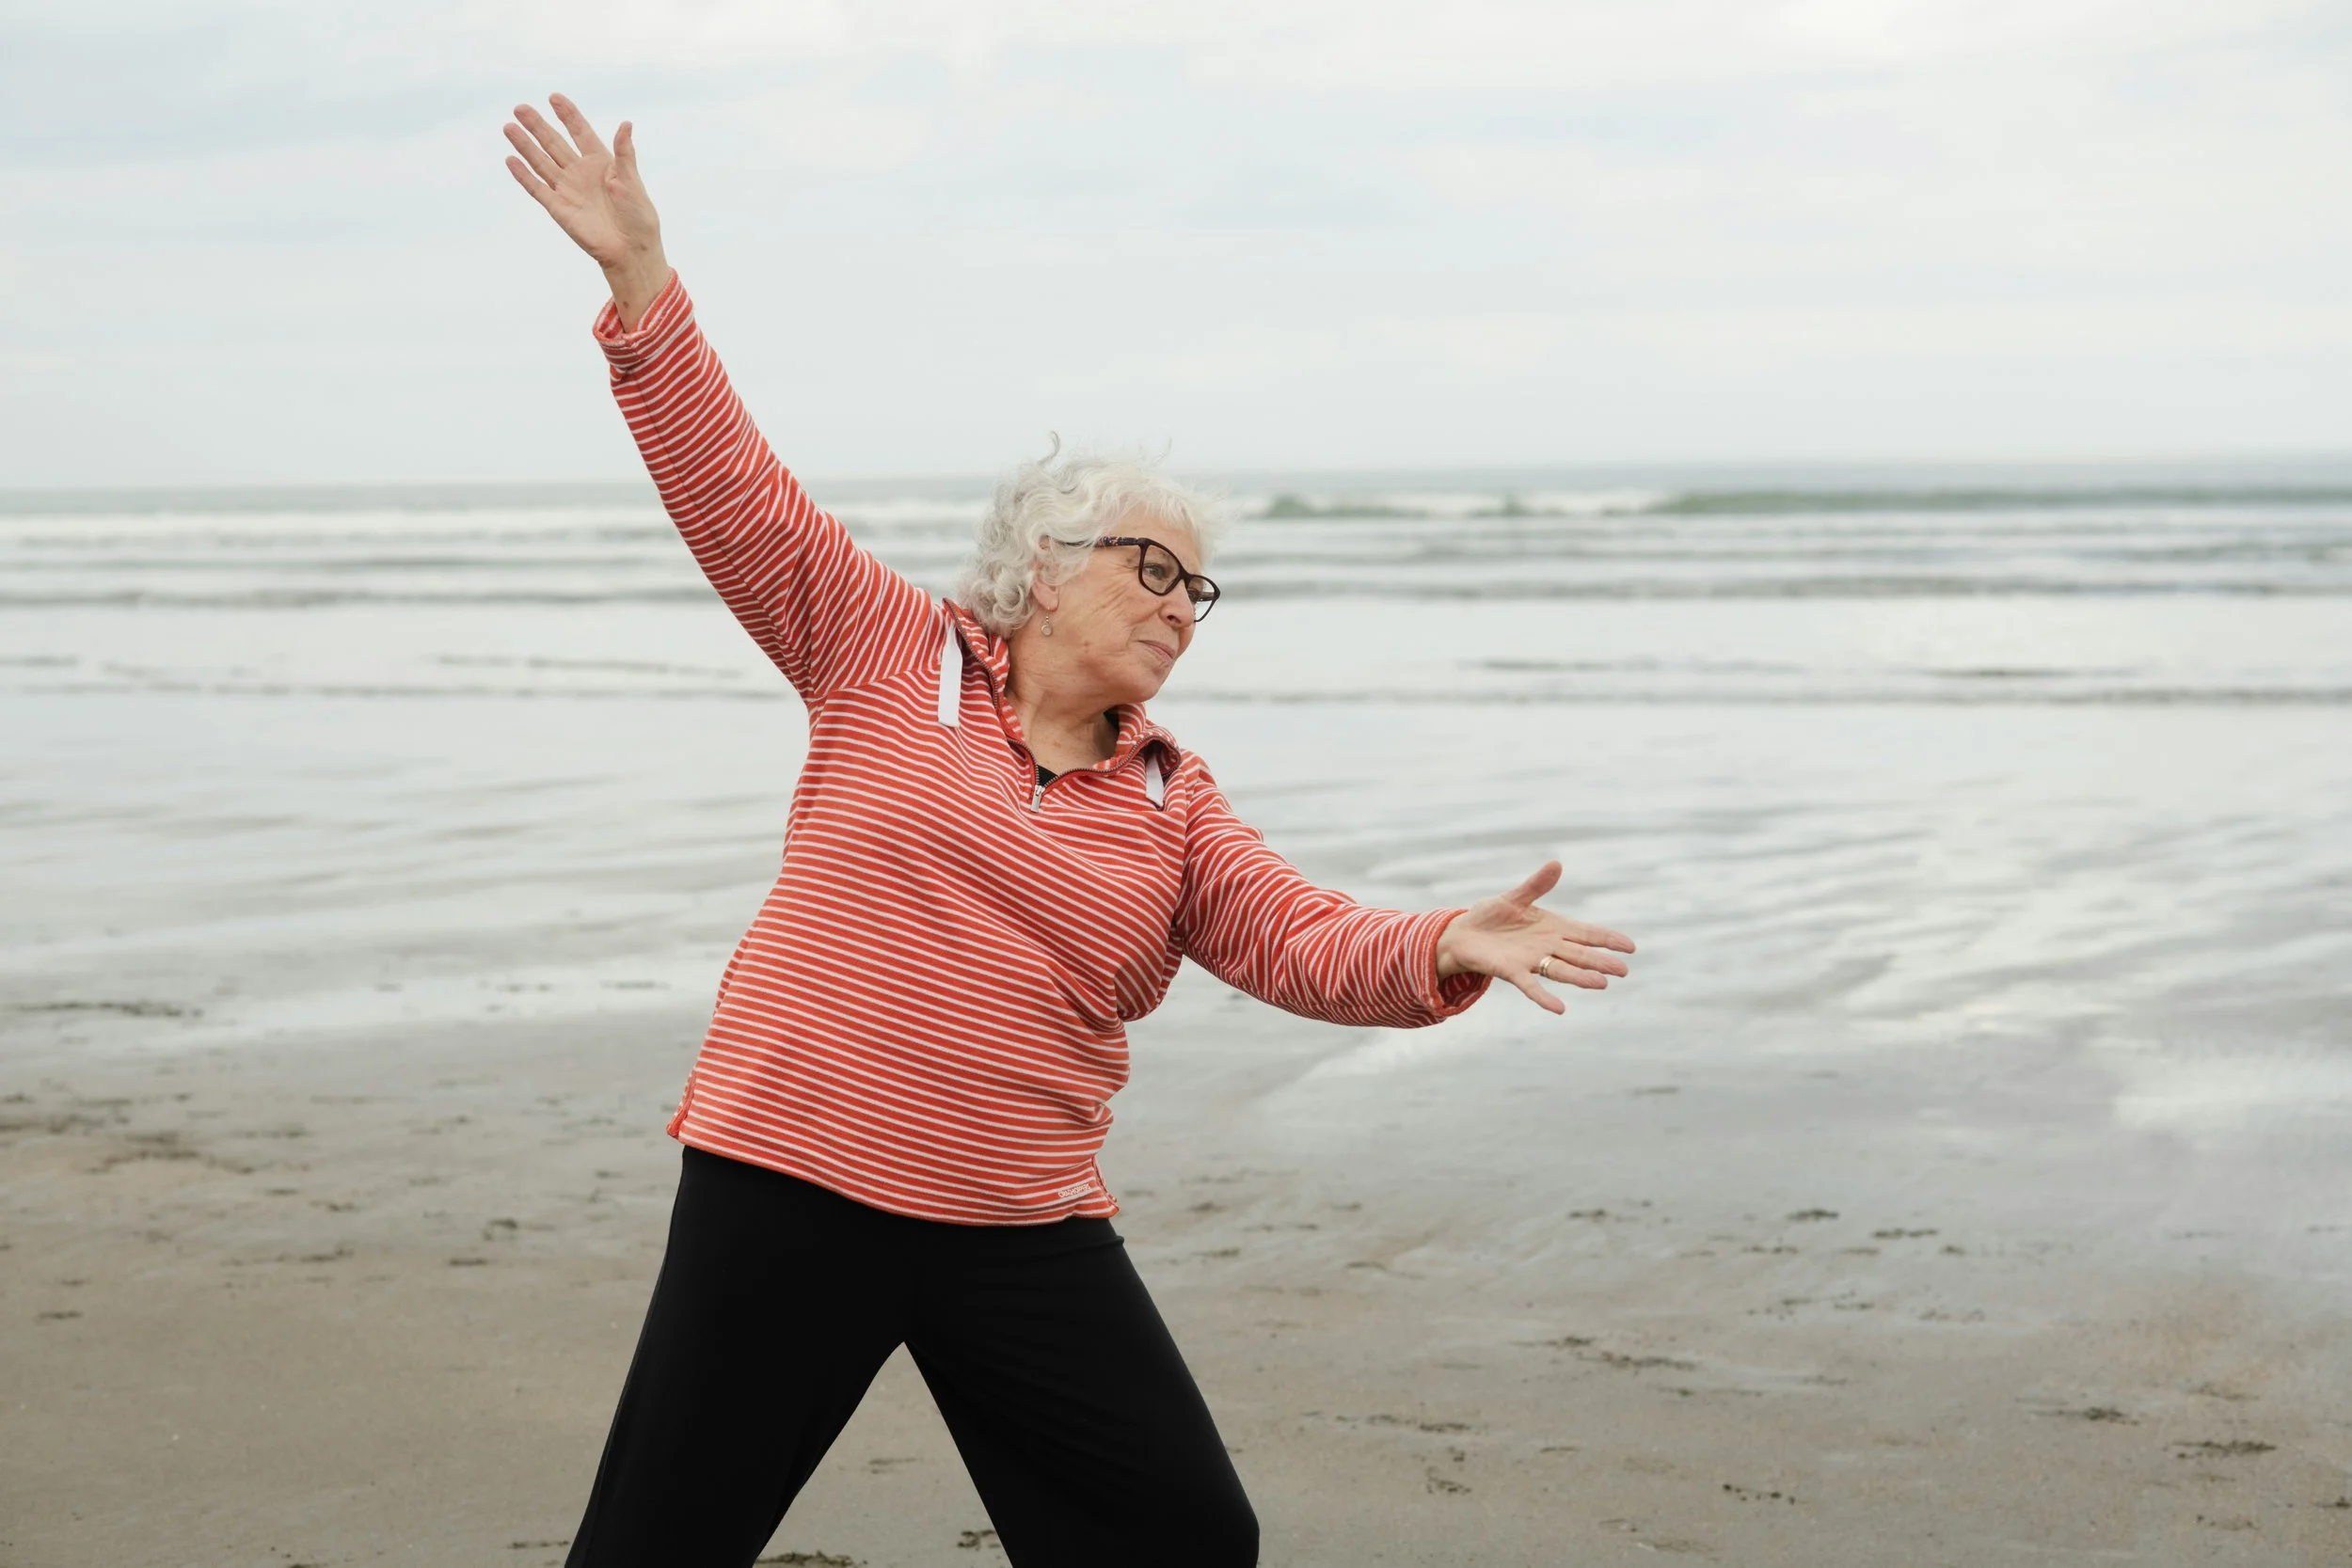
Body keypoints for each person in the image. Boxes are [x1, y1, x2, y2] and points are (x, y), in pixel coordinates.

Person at [501, 93, 1635, 1568]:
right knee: (658, 1543)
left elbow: (1294, 935)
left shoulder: (1172, 796)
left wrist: (1441, 944)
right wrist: (643, 281)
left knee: (1183, 1535)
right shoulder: (885, 650)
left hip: (1015, 1220)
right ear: (1043, 566)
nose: (1181, 605)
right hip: (794, 1177)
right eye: (1153, 567)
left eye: (1198, 589)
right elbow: (739, 493)